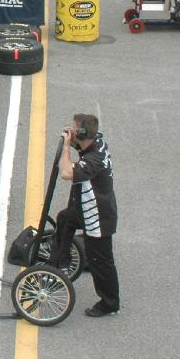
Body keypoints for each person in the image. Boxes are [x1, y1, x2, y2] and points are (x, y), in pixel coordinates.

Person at [50, 113, 120, 318]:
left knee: (101, 261)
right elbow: (82, 147)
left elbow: (66, 173)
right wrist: (72, 139)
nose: (71, 129)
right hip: (84, 207)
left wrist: (66, 146)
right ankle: (59, 264)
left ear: (82, 132)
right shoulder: (96, 142)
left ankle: (110, 303)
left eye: (74, 128)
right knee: (65, 219)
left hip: (97, 216)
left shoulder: (93, 160)